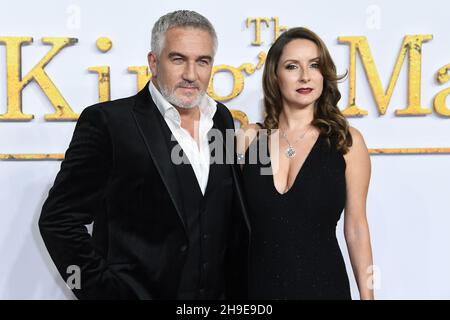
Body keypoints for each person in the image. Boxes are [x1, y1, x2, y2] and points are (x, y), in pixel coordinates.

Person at [39, 10, 249, 300]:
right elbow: (59, 220)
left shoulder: (221, 118)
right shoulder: (109, 122)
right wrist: (98, 292)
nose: (191, 74)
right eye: (178, 59)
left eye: (202, 61)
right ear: (153, 62)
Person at [237, 27, 374, 300]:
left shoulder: (347, 142)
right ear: (275, 76)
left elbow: (357, 228)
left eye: (314, 65)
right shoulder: (248, 137)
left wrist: (368, 297)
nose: (305, 76)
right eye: (292, 66)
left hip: (325, 288)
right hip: (256, 290)